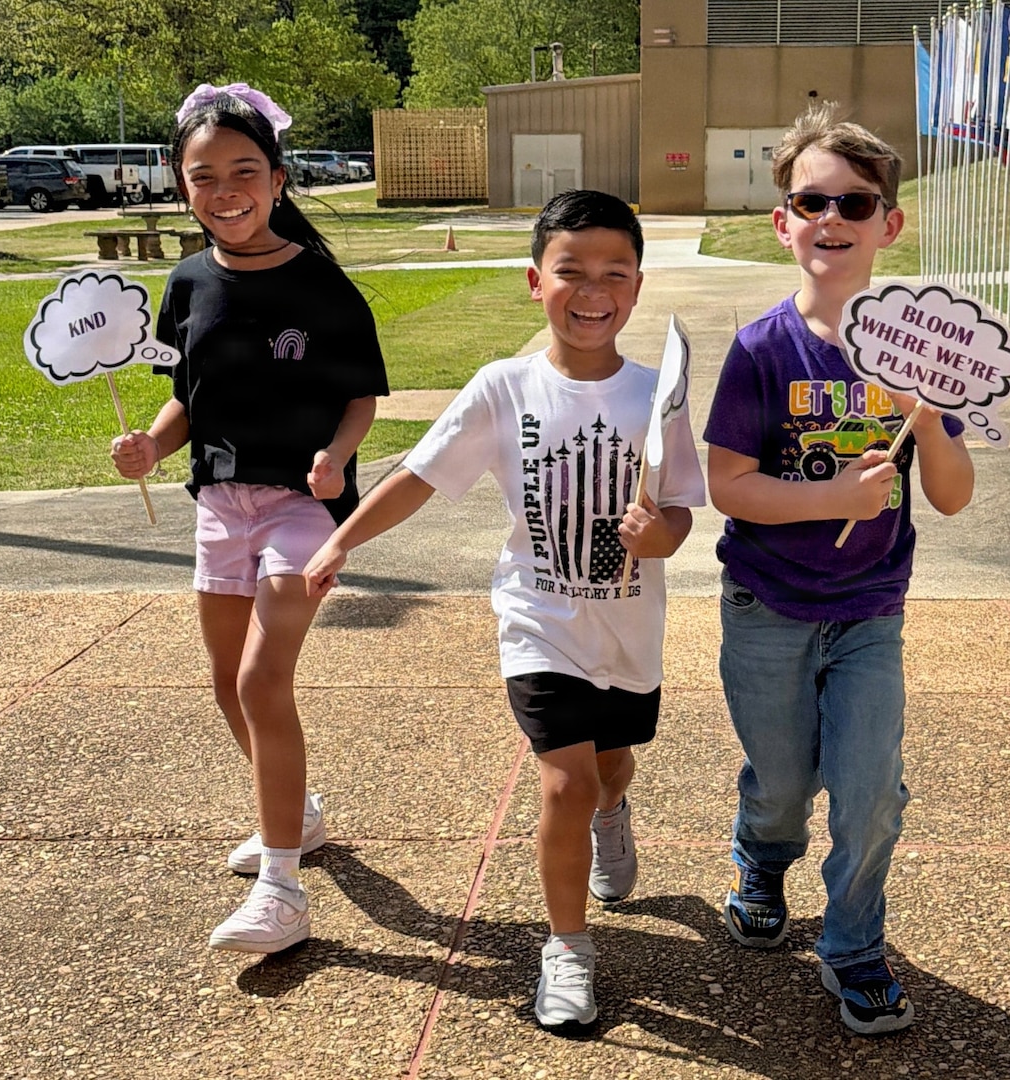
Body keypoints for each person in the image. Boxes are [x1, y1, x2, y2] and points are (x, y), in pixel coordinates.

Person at [303, 189, 706, 1031]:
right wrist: (344, 540)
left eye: (613, 273)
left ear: (636, 287)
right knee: (561, 778)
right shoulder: (503, 388)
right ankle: (567, 950)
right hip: (539, 623)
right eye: (571, 271)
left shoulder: (654, 393)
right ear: (535, 280)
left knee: (610, 767)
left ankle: (614, 811)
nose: (591, 290)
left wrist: (658, 533)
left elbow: (679, 510)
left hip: (629, 630)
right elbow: (419, 474)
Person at [703, 102, 976, 1035]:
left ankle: (855, 944)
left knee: (869, 789)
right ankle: (763, 857)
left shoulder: (922, 352)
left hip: (870, 613)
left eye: (854, 203)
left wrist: (928, 416)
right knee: (782, 781)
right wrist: (831, 501)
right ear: (783, 221)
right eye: (810, 200)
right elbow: (728, 485)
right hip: (768, 605)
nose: (832, 219)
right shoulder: (761, 350)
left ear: (887, 225)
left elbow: (951, 496)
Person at [109, 82, 388, 954]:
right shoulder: (187, 282)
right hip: (218, 505)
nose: (225, 190)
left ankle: (283, 891)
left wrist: (339, 458)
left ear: (276, 179)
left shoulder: (323, 286)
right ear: (182, 184)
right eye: (204, 176)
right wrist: (151, 447)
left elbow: (359, 398)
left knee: (265, 682)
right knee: (227, 684)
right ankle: (295, 816)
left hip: (305, 506)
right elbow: (183, 403)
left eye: (243, 171)